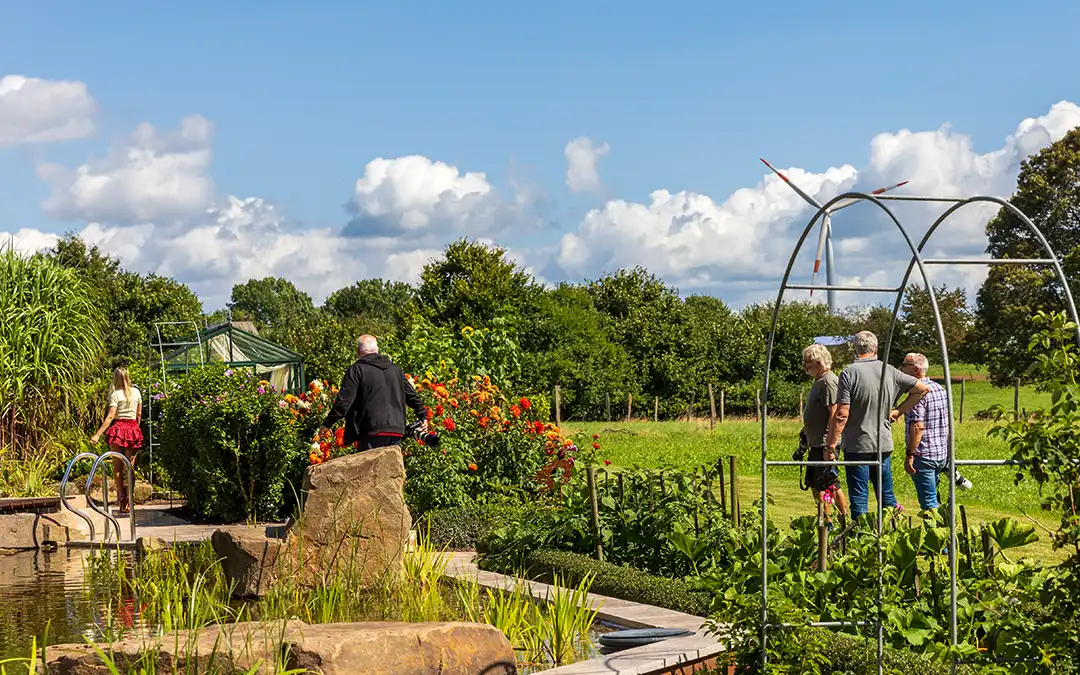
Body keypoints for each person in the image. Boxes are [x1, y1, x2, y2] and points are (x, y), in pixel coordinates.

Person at [826, 331, 929, 520]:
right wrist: (898, 410)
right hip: (883, 443)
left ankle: (861, 540)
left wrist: (831, 445)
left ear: (856, 349)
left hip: (857, 445)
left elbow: (841, 413)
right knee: (886, 495)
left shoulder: (849, 373)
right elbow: (922, 389)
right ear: (875, 348)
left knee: (859, 497)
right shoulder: (888, 370)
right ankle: (891, 537)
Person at [319, 334, 427, 449]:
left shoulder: (356, 370)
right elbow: (412, 396)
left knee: (371, 466)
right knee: (390, 466)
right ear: (377, 350)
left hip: (370, 431)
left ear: (358, 351)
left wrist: (327, 424)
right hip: (396, 431)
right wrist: (423, 416)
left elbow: (344, 402)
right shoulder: (396, 370)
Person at [897, 353, 972, 511]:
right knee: (934, 497)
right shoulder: (940, 389)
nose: (901, 369)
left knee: (929, 503)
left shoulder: (917, 394)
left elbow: (917, 427)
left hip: (923, 455)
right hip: (940, 453)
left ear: (916, 370)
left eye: (904, 366)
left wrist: (910, 454)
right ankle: (945, 528)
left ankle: (939, 532)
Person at [800, 343, 850, 526]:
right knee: (816, 486)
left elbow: (835, 413)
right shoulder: (820, 381)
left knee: (828, 486)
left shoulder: (829, 381)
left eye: (809, 362)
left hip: (824, 445)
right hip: (816, 443)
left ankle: (835, 524)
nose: (805, 366)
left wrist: (830, 445)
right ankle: (827, 523)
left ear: (820, 362)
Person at [90, 366, 143, 515]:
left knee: (117, 468)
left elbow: (110, 417)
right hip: (132, 428)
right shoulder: (137, 392)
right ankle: (129, 499)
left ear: (116, 378)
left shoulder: (116, 394)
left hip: (118, 429)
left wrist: (98, 434)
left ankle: (121, 498)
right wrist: (135, 430)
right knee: (130, 467)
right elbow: (139, 414)